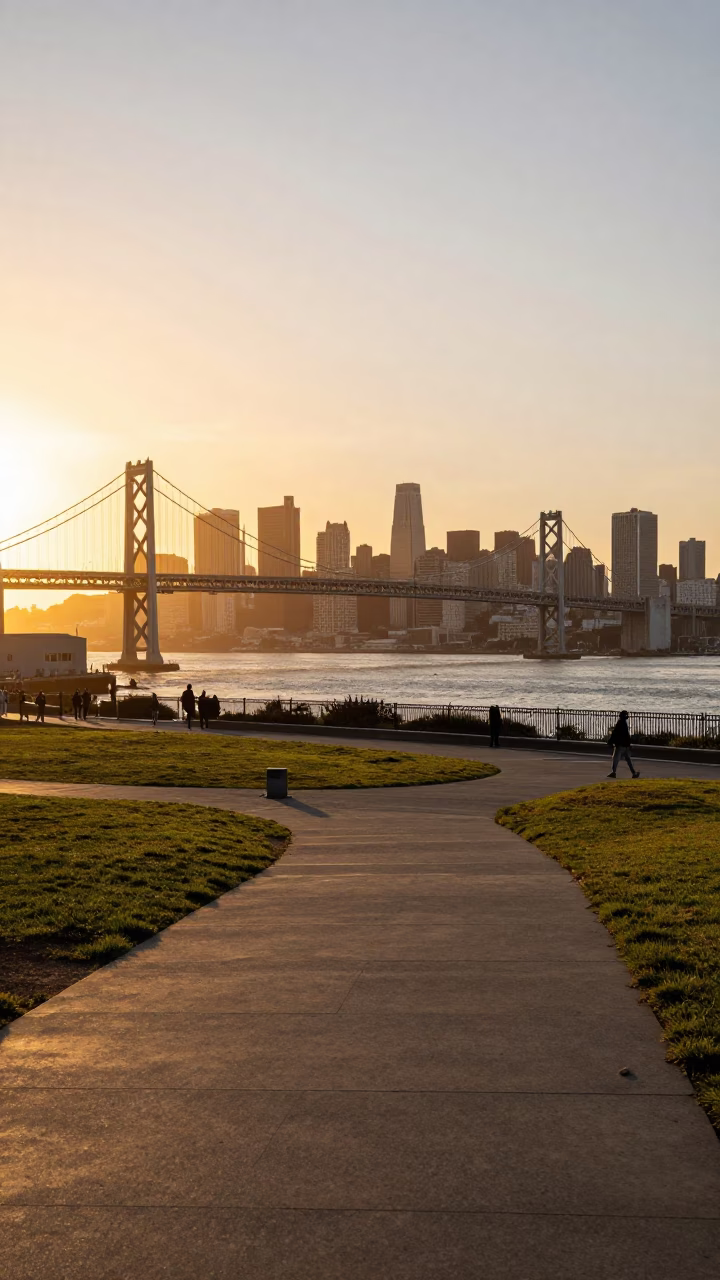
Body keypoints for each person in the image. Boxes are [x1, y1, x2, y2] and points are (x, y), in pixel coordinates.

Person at [608, 710, 640, 779]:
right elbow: (627, 736)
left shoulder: (619, 723)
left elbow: (615, 733)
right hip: (625, 745)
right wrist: (629, 744)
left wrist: (610, 741)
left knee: (616, 759)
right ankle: (634, 773)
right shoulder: (624, 724)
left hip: (620, 745)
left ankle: (614, 772)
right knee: (628, 760)